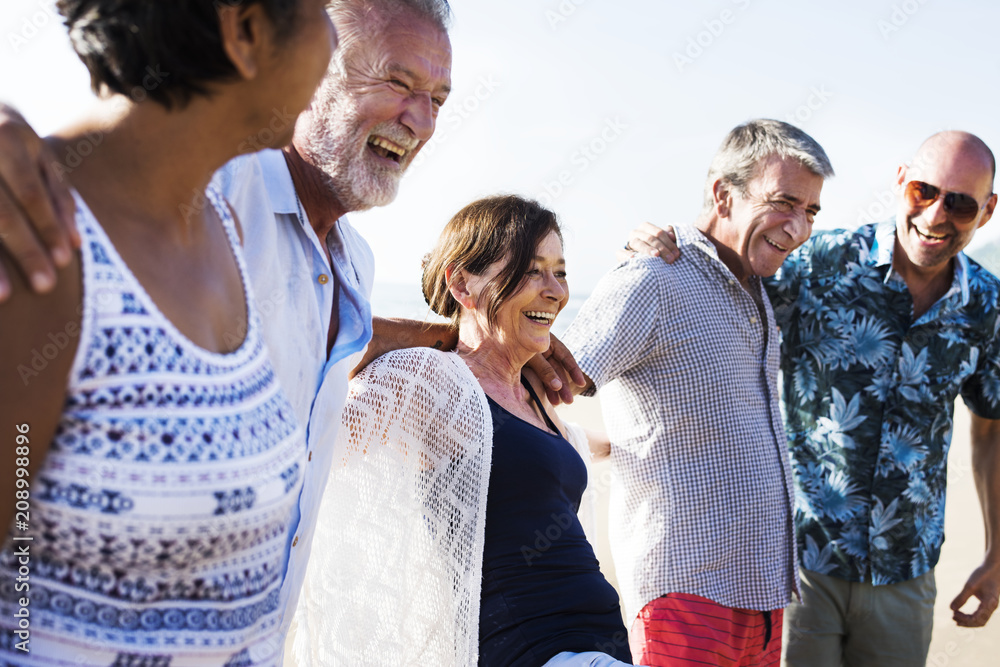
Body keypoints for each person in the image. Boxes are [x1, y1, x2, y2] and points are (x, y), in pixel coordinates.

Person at [0, 0, 585, 658]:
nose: (421, 120)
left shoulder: (348, 263)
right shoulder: (211, 203)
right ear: (249, 32)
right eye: (396, 81)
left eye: (439, 98)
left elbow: (330, 344)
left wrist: (475, 341)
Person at [0, 1, 335, 664]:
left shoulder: (223, 229)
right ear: (243, 29)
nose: (334, 42)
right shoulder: (42, 248)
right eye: (325, 9)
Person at [625, 130, 1000, 666]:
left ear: (986, 212)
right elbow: (717, 298)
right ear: (900, 183)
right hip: (798, 563)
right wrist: (669, 247)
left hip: (906, 569)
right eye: (925, 191)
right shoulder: (819, 264)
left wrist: (996, 555)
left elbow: (991, 427)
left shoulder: (988, 305)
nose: (937, 215)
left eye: (961, 204)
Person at [295, 194, 635, 666]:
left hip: (604, 646)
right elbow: (311, 405)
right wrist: (443, 334)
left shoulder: (536, 395)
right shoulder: (430, 379)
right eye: (532, 269)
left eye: (560, 272)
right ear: (461, 282)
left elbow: (583, 454)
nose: (555, 290)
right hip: (530, 651)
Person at [561, 119, 835, 667]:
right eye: (784, 202)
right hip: (685, 596)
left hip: (764, 596)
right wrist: (584, 443)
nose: (799, 227)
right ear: (722, 194)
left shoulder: (759, 291)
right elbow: (546, 375)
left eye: (811, 211)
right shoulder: (654, 278)